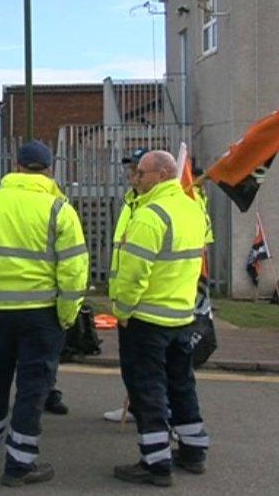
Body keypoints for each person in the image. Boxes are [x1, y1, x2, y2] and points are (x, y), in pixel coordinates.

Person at [0, 141, 89, 487]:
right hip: (41, 313)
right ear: (48, 169)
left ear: (17, 166)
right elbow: (74, 270)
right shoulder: (59, 209)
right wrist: (66, 314)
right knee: (33, 387)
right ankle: (20, 464)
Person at [110, 150, 209, 487]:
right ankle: (193, 451)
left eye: (141, 173)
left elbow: (133, 273)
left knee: (147, 390)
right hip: (181, 315)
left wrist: (122, 310)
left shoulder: (151, 215)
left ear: (162, 174)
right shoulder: (192, 208)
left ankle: (156, 463)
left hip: (147, 318)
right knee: (182, 385)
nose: (135, 178)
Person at [102, 148, 147, 423]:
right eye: (129, 168)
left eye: (137, 169)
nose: (131, 173)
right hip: (126, 296)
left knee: (148, 364)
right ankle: (136, 406)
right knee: (131, 362)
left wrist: (128, 303)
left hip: (143, 300)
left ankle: (155, 414)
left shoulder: (149, 206)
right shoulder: (131, 202)